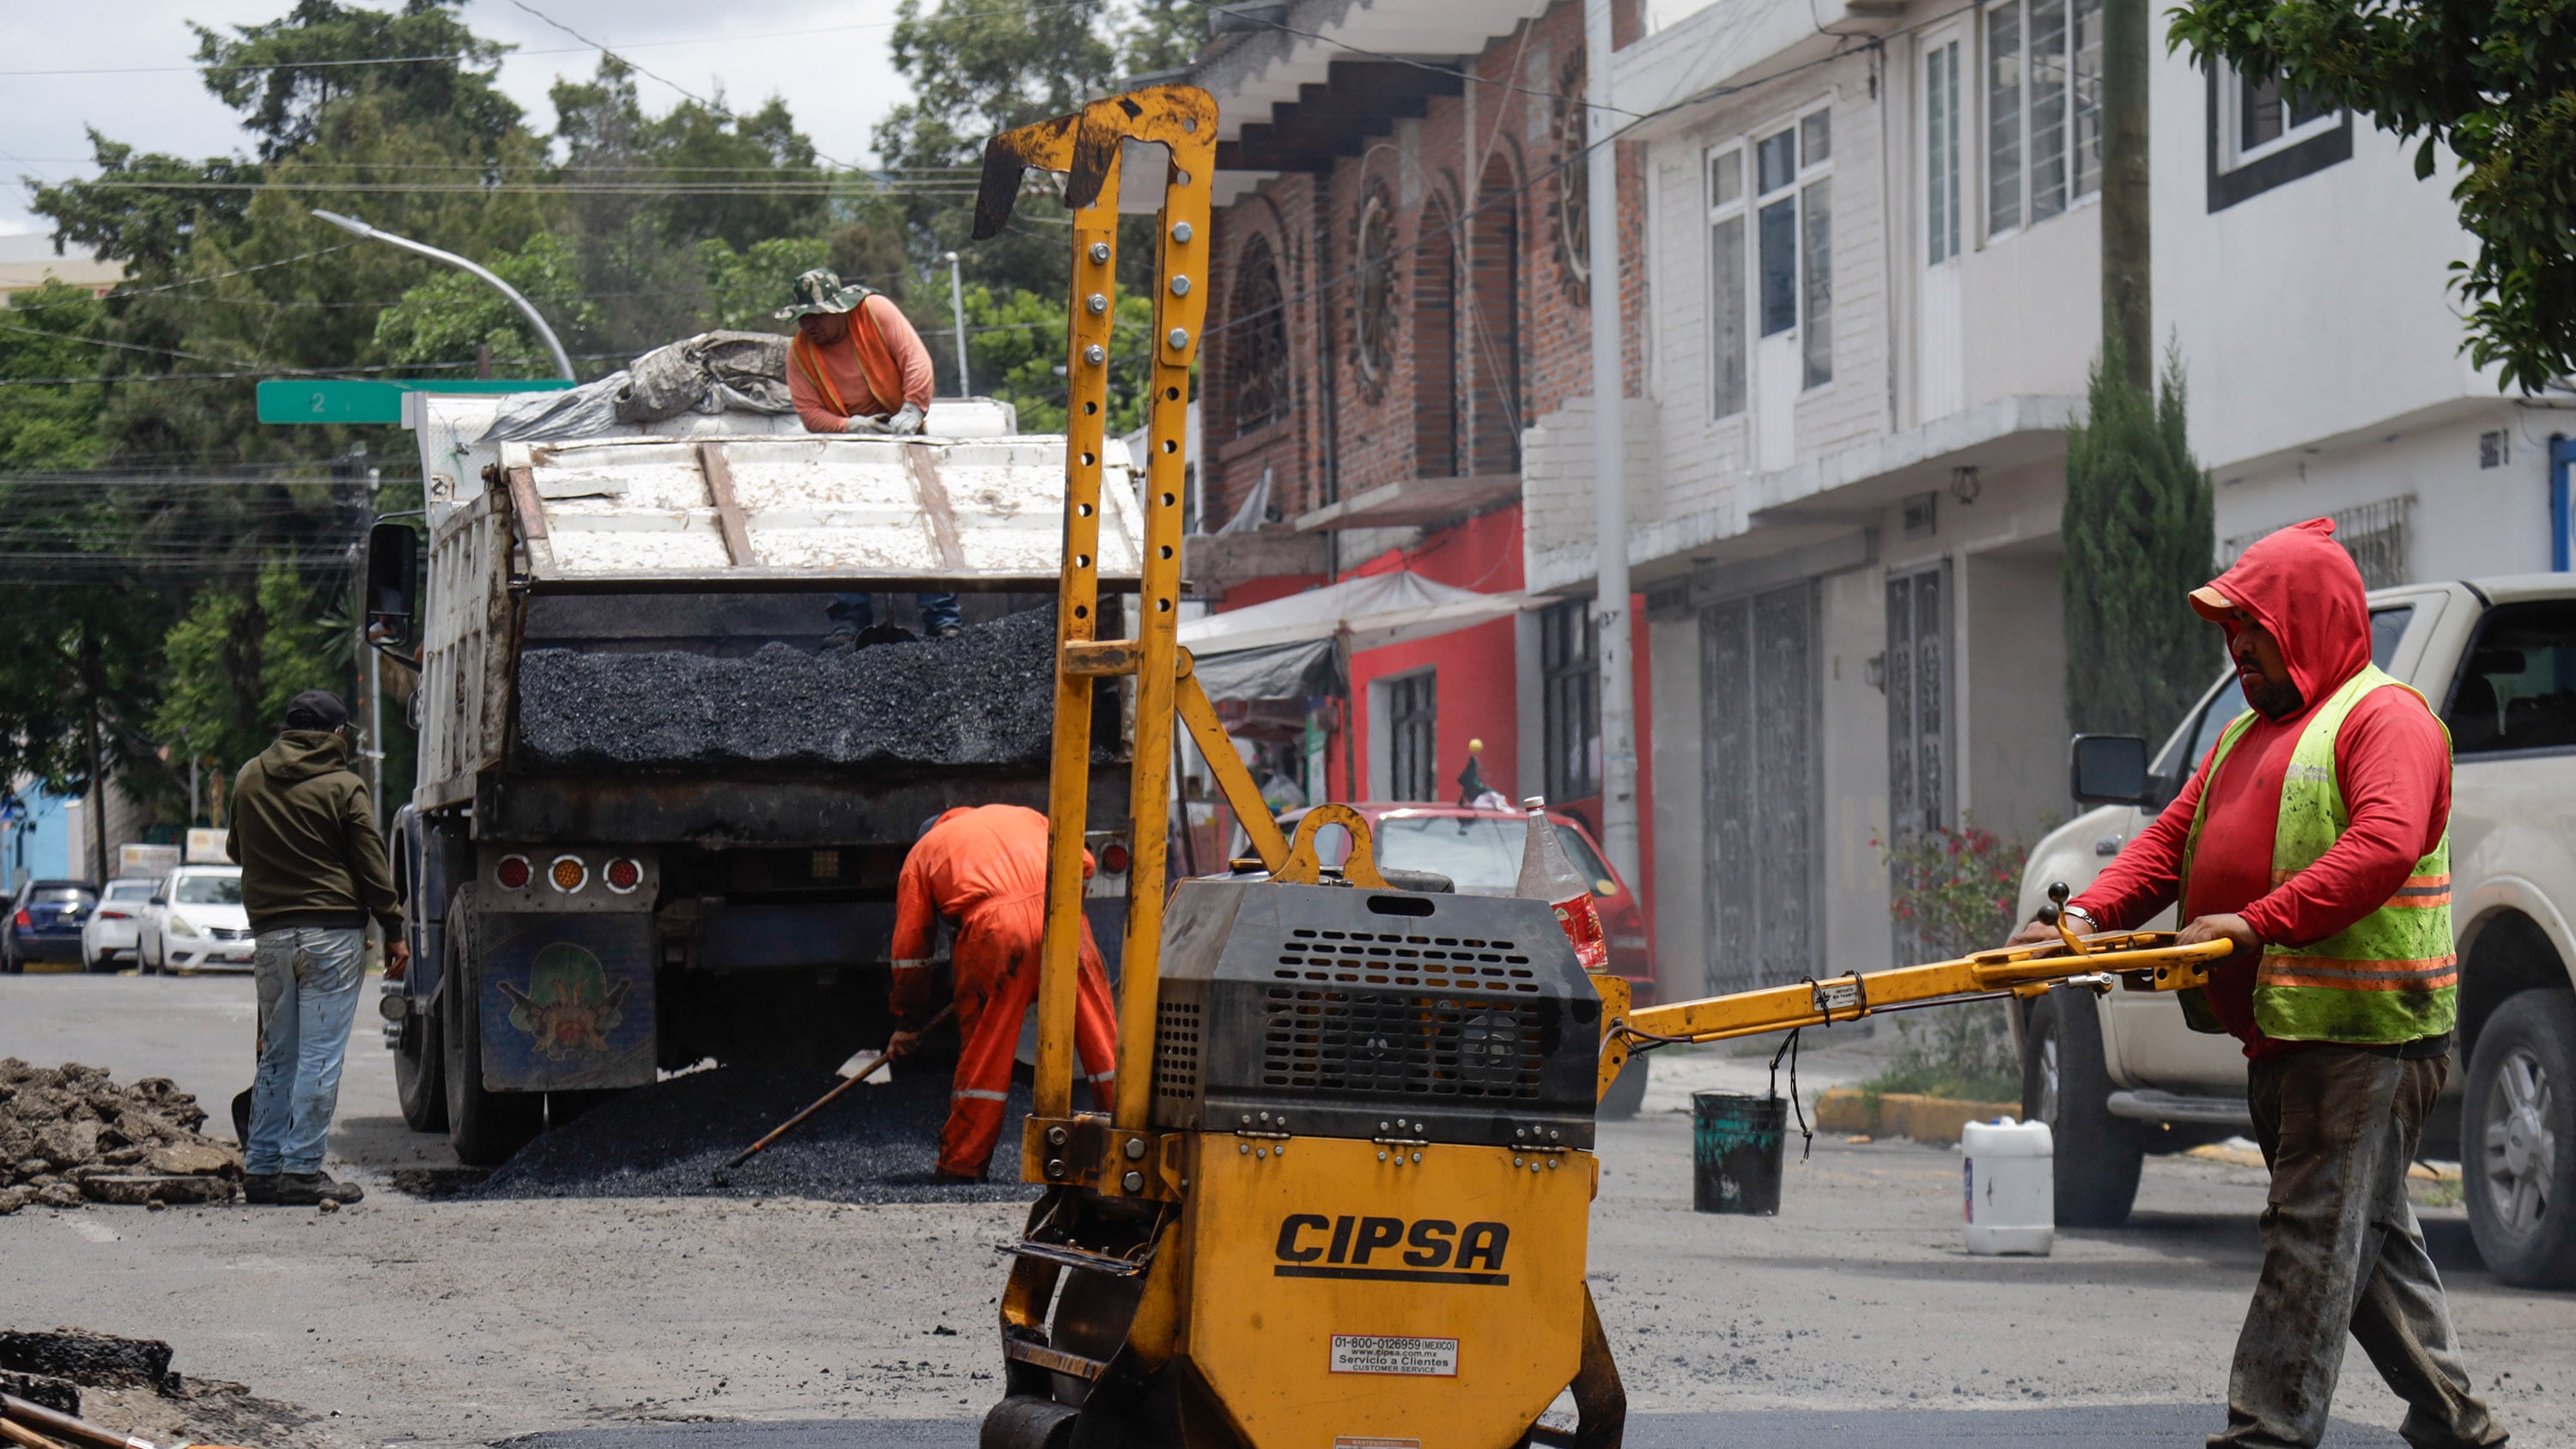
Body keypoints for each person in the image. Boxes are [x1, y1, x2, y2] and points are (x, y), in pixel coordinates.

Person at [2006, 520, 2503, 1449]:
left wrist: (2257, 919)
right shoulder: (2245, 734)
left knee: (2310, 1236)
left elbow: (2384, 845)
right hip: (2288, 1027)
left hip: (2368, 1031)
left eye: (2255, 629)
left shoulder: (2384, 719)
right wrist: (2081, 923)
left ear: (2309, 622)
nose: (2238, 648)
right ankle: (2455, 1419)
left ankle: (2267, 1433)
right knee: (2370, 1237)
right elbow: (2164, 844)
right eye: (2232, 632)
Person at [228, 690, 408, 1207]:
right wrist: (393, 928)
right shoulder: (343, 786)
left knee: (278, 1054)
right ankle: (303, 1170)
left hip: (271, 936)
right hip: (331, 935)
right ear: (338, 735)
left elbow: (236, 849)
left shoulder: (248, 777)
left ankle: (262, 1169)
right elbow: (372, 865)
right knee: (320, 1056)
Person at [887, 805, 1119, 1180]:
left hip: (995, 933)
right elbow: (1085, 862)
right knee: (1104, 1045)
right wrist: (1061, 909)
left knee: (986, 1055)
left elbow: (912, 951)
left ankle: (962, 1164)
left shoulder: (924, 852)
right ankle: (1133, 1142)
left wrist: (907, 1019)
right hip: (1063, 919)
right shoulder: (1024, 816)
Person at [776, 266, 961, 641]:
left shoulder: (876, 312)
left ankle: (942, 620)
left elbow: (915, 358)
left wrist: (912, 409)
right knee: (847, 529)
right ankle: (849, 621)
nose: (809, 325)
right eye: (803, 318)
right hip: (850, 453)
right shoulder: (800, 353)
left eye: (817, 316)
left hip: (905, 438)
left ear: (840, 309)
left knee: (922, 525)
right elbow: (809, 413)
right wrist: (852, 426)